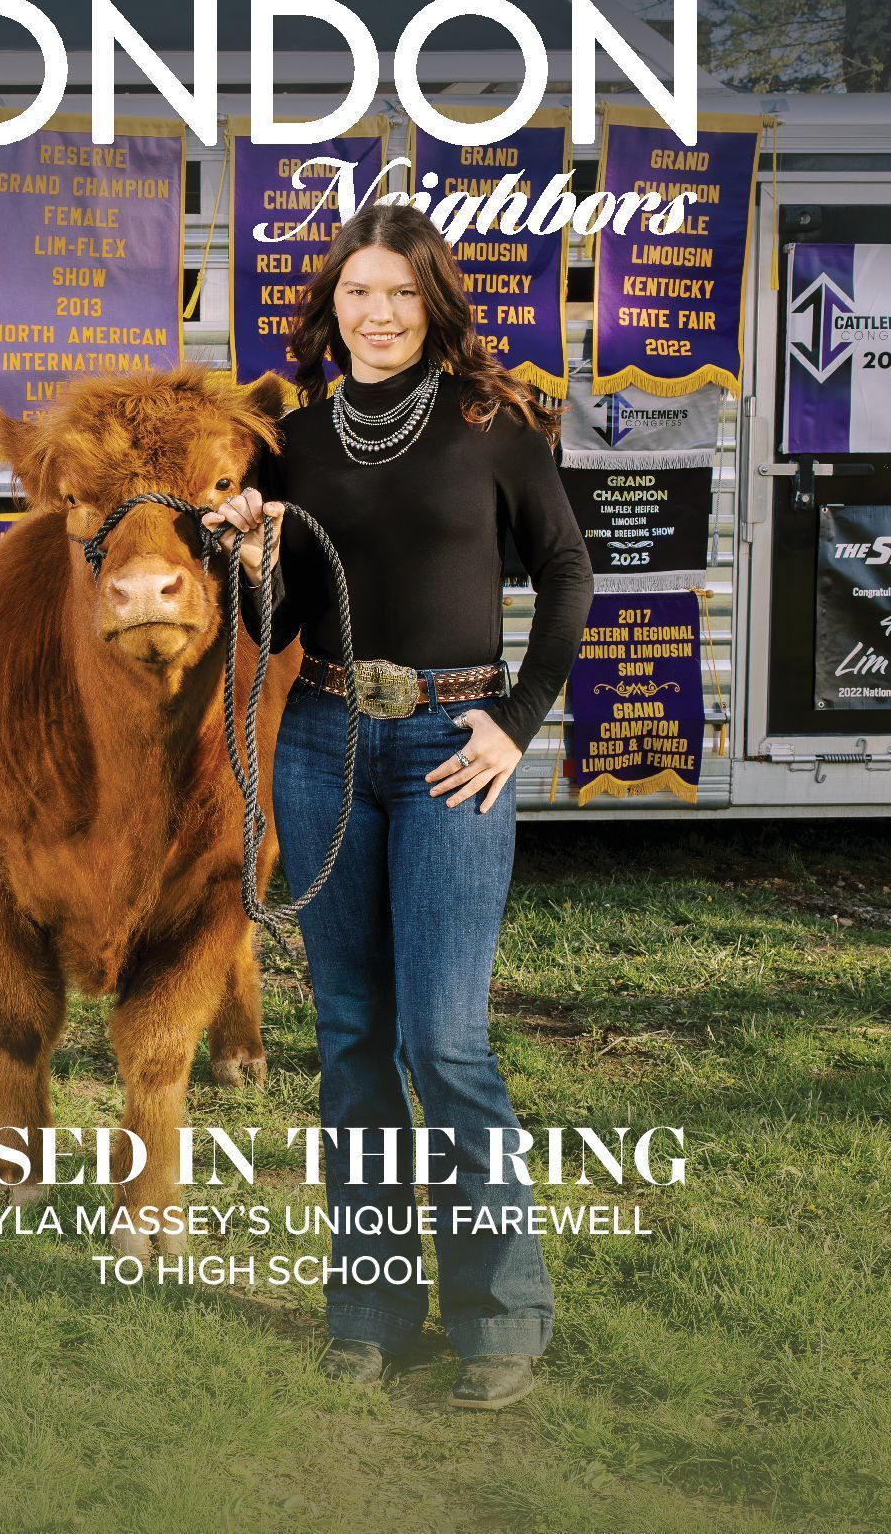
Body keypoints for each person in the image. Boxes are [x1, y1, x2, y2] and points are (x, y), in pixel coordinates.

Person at [202, 202, 594, 1411]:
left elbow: (570, 568)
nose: (378, 315)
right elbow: (273, 628)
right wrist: (253, 565)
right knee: (351, 1043)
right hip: (323, 740)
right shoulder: (293, 444)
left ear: (434, 306)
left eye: (402, 294)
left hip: (447, 747)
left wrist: (514, 720)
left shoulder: (495, 425)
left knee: (443, 1040)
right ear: (332, 306)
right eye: (360, 293)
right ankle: (367, 1310)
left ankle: (499, 1313)